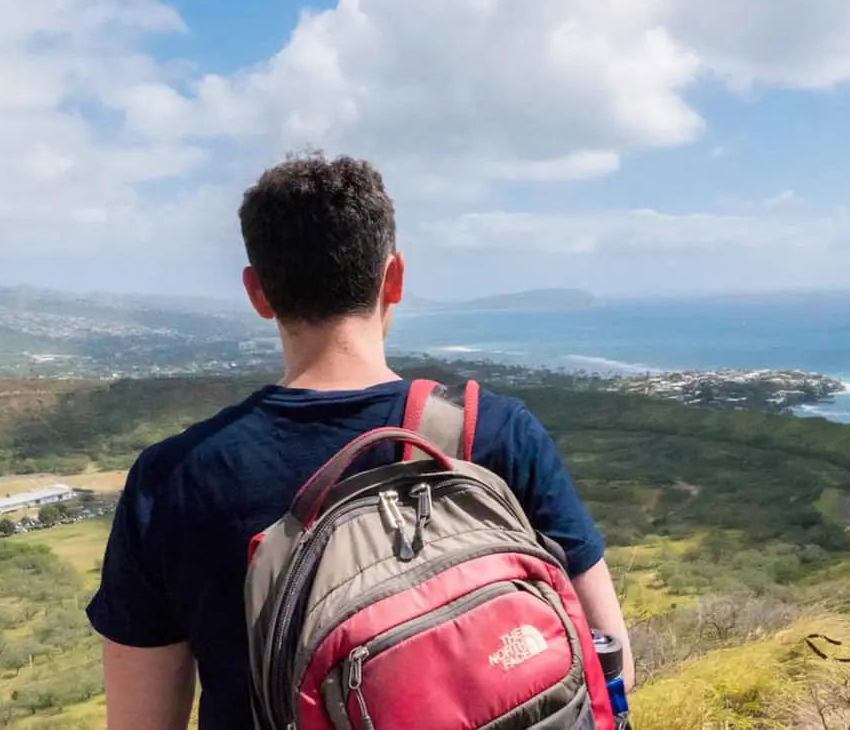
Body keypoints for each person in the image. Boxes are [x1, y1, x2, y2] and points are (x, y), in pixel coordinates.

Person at [85, 151, 633, 730]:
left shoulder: (171, 480)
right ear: (393, 278)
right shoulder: (496, 432)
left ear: (258, 293)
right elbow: (608, 660)